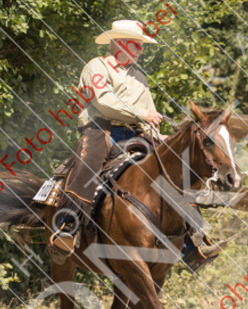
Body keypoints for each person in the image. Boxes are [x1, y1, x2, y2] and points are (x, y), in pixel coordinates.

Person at [49, 19, 221, 271]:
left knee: (172, 173)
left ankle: (192, 242)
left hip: (135, 133)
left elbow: (149, 111)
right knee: (88, 167)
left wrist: (157, 135)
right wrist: (142, 116)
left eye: (141, 46)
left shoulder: (139, 75)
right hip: (101, 129)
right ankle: (66, 229)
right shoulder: (96, 66)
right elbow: (104, 101)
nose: (140, 51)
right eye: (136, 45)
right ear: (118, 44)